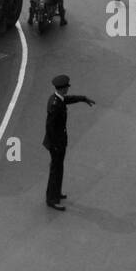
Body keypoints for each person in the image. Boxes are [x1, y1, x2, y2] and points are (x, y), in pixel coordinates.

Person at [43, 73, 95, 210]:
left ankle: (56, 193)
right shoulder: (55, 105)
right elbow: (50, 127)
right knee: (55, 169)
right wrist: (54, 145)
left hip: (59, 142)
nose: (68, 89)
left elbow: (68, 99)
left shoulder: (57, 99)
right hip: (56, 144)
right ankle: (51, 199)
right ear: (63, 88)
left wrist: (83, 98)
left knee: (59, 168)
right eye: (67, 87)